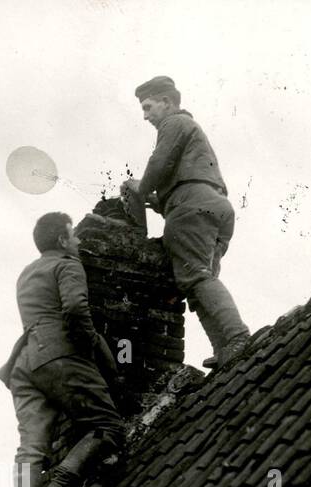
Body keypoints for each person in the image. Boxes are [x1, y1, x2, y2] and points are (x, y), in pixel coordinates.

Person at [0, 212, 125, 487]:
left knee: (31, 445)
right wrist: (92, 349)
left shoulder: (26, 273)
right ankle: (63, 481)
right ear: (62, 240)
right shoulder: (67, 264)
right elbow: (76, 310)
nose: (79, 241)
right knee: (107, 425)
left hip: (24, 364)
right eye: (74, 236)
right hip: (58, 353)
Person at [123, 75, 251, 369]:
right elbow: (180, 185)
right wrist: (156, 201)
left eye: (148, 107)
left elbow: (159, 162)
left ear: (167, 102)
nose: (145, 116)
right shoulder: (190, 130)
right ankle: (224, 349)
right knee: (200, 281)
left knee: (195, 277)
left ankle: (236, 337)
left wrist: (139, 189)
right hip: (212, 207)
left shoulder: (174, 123)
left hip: (193, 207)